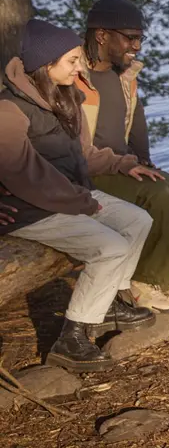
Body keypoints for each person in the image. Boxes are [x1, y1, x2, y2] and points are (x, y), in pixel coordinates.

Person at [0, 19, 160, 372]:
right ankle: (71, 340)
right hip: (30, 209)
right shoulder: (9, 109)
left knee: (138, 220)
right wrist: (81, 202)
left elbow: (82, 155)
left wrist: (122, 164)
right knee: (110, 247)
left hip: (70, 195)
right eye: (72, 61)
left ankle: (109, 304)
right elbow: (25, 174)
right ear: (46, 63)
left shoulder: (67, 96)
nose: (79, 68)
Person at [78, 0, 169, 314]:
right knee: (158, 195)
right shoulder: (73, 75)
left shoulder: (124, 74)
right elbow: (75, 150)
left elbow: (135, 118)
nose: (136, 46)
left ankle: (146, 276)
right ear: (102, 35)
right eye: (130, 38)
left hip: (125, 165)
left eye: (140, 38)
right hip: (90, 170)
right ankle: (138, 284)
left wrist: (143, 157)